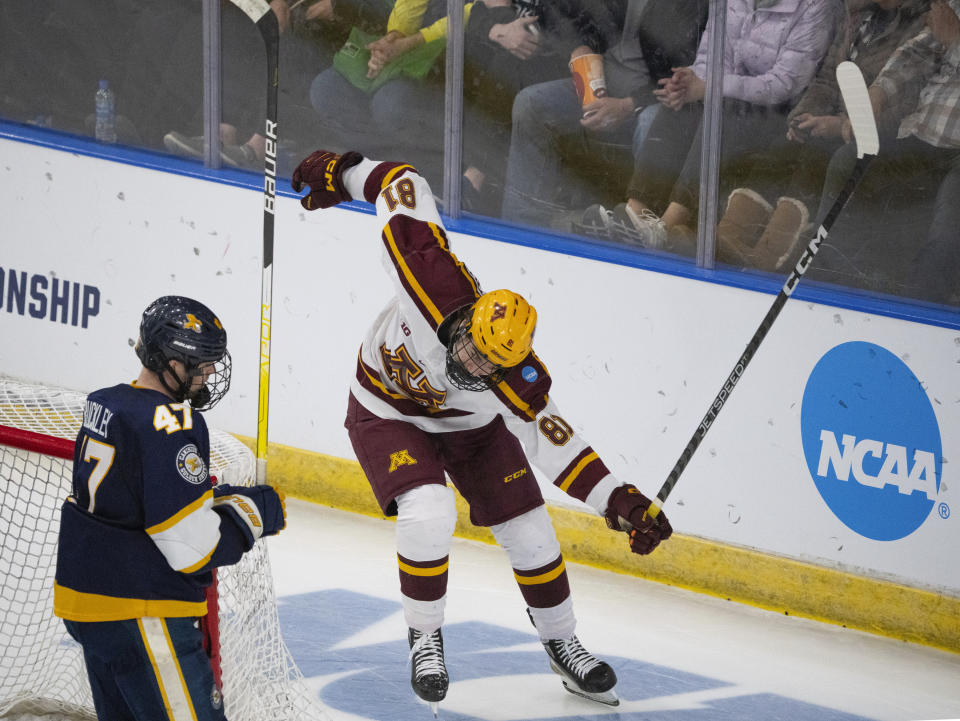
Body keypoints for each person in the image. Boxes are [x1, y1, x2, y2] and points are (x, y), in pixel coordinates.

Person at [290, 149, 673, 711]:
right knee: (428, 511)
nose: (469, 364)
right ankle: (425, 637)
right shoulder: (426, 274)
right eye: (468, 347)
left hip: (472, 432)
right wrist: (344, 174)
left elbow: (559, 445)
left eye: (485, 365)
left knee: (533, 532)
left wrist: (620, 501)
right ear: (466, 319)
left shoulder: (514, 383)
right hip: (387, 410)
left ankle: (562, 643)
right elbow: (401, 181)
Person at [54, 295, 287, 721]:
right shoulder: (172, 421)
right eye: (201, 361)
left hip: (84, 603)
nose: (211, 372)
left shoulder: (103, 402)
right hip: (140, 612)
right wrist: (253, 516)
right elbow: (190, 548)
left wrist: (216, 501)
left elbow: (133, 500)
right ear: (169, 359)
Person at [574, 0, 840, 250]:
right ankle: (636, 215)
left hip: (778, 115)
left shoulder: (815, 6)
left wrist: (710, 86)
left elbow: (784, 84)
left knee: (724, 107)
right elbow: (709, 56)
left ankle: (667, 226)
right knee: (683, 102)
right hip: (727, 96)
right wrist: (690, 79)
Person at [713, 0, 928, 272]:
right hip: (830, 128)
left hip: (877, 141)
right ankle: (729, 239)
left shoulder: (922, 23)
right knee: (782, 149)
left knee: (816, 159)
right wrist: (805, 117)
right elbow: (826, 79)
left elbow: (909, 105)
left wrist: (840, 126)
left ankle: (770, 260)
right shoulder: (857, 18)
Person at [500, 0, 709, 230]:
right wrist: (580, 45)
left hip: (652, 99)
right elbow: (568, 16)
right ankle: (522, 227)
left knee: (651, 124)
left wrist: (629, 105)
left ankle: (645, 233)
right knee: (531, 103)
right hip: (602, 83)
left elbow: (683, 77)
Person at [809, 0, 960, 300]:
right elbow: (919, 50)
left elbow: (948, 36)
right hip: (924, 136)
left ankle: (916, 318)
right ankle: (839, 291)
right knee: (847, 161)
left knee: (947, 235)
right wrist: (878, 92)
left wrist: (955, 41)